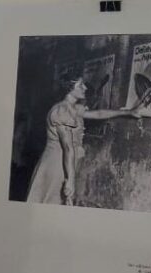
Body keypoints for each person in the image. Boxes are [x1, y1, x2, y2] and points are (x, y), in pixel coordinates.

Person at [26, 77, 141, 205]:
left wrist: (129, 112)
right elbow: (68, 148)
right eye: (80, 85)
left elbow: (98, 114)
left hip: (68, 162)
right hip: (57, 163)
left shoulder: (74, 108)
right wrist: (70, 180)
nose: (85, 88)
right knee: (49, 203)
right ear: (69, 89)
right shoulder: (61, 111)